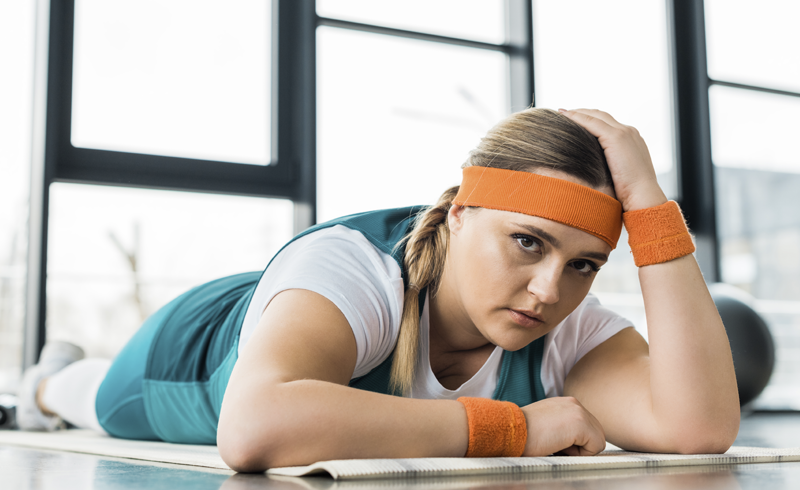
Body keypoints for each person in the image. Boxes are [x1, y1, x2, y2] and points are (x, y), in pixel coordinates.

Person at [18, 108, 740, 472]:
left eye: (585, 263)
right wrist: (513, 429)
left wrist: (651, 206)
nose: (550, 288)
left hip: (301, 312)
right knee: (93, 397)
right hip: (197, 343)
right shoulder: (356, 268)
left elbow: (696, 428)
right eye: (528, 242)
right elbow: (255, 428)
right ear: (460, 214)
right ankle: (49, 378)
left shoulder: (565, 323)